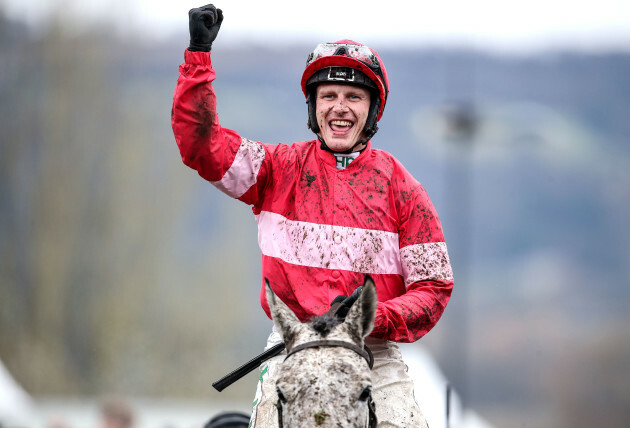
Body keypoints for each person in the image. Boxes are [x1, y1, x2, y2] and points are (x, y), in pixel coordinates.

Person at [171, 5, 454, 427]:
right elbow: (201, 147)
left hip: (371, 353)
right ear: (314, 106)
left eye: (354, 97)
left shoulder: (404, 189)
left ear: (372, 110)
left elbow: (433, 288)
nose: (340, 108)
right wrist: (198, 55)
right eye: (329, 96)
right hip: (293, 346)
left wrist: (371, 314)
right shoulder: (274, 168)